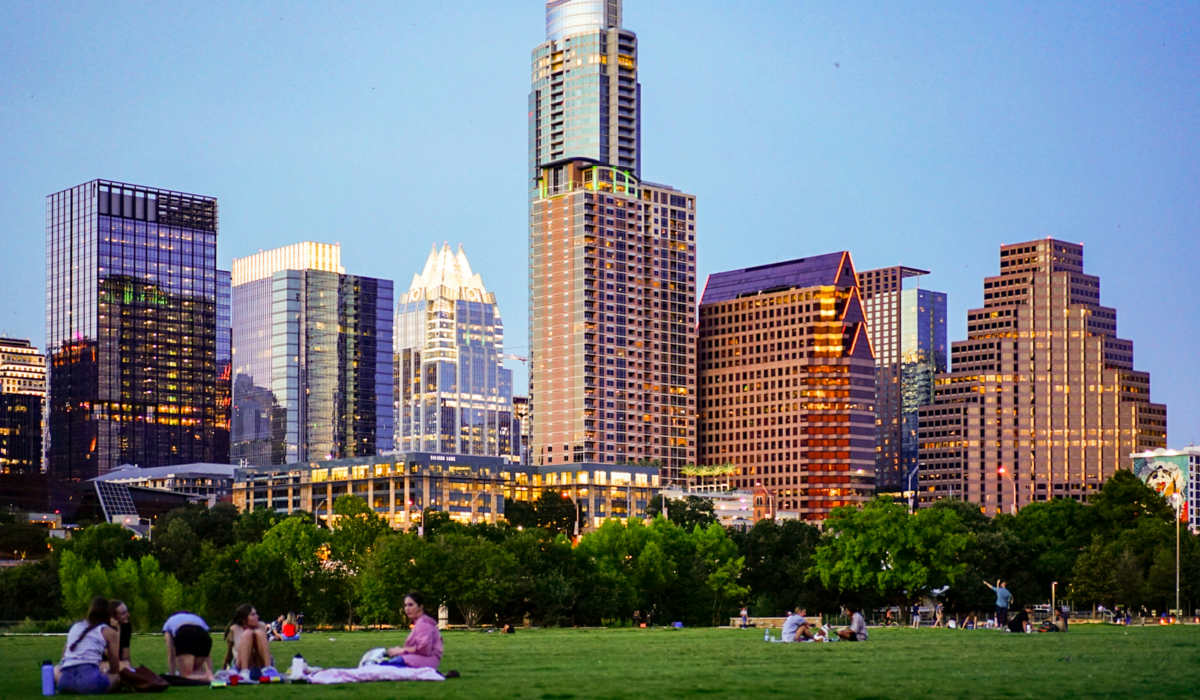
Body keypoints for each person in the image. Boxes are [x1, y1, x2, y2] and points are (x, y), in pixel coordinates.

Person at [58, 596, 122, 694]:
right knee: (116, 678)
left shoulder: (75, 627)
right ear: (107, 614)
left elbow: (64, 655)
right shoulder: (108, 631)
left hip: (64, 682)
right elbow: (114, 666)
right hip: (89, 682)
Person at [382, 592, 443, 669]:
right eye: (405, 605)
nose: (407, 608)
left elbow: (424, 649)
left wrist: (400, 650)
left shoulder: (424, 624)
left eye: (410, 605)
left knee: (380, 667)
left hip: (425, 661)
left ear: (420, 607)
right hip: (421, 660)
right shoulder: (419, 623)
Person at [222, 604, 273, 677]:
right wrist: (224, 668)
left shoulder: (261, 626)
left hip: (259, 664)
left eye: (256, 614)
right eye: (253, 614)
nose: (257, 616)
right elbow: (229, 653)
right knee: (247, 634)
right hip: (240, 664)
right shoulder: (235, 629)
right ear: (244, 619)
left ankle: (269, 669)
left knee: (258, 633)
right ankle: (244, 671)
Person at [163, 610, 214, 681]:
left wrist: (172, 675)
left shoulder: (169, 621)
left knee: (185, 676)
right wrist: (210, 669)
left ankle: (207, 677)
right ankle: (209, 675)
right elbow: (208, 655)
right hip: (204, 636)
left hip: (185, 633)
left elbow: (171, 652)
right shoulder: (197, 618)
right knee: (195, 671)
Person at [102, 600, 132, 673]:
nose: (128, 615)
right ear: (112, 617)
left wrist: (131, 671)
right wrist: (116, 631)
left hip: (116, 663)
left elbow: (126, 656)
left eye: (127, 611)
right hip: (98, 663)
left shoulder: (126, 627)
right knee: (123, 666)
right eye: (123, 613)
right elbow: (113, 656)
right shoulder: (104, 630)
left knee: (126, 666)